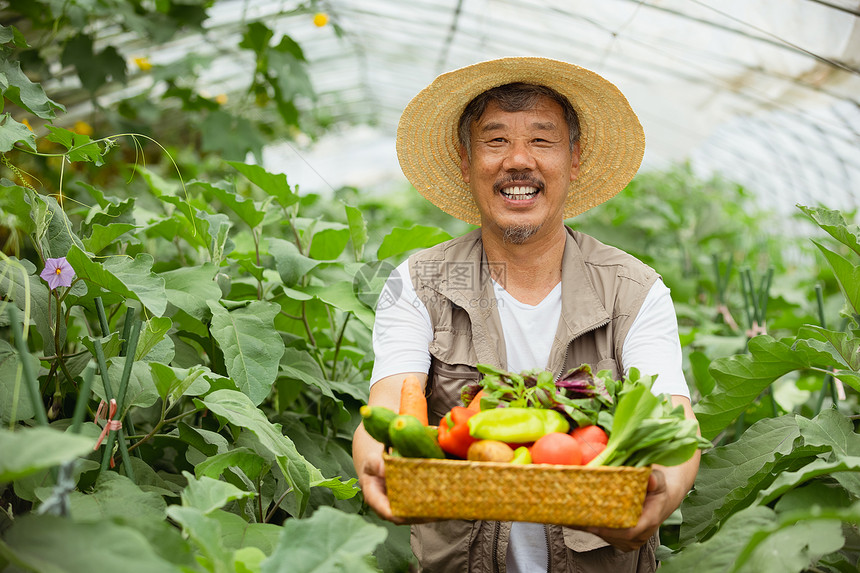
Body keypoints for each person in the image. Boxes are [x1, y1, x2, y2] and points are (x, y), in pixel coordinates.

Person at [352, 57, 701, 573]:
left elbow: (675, 419)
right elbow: (388, 400)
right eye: (495, 141)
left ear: (574, 159)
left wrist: (660, 496)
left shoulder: (634, 291)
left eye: (542, 141)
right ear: (466, 160)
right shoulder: (417, 283)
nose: (519, 161)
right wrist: (376, 465)